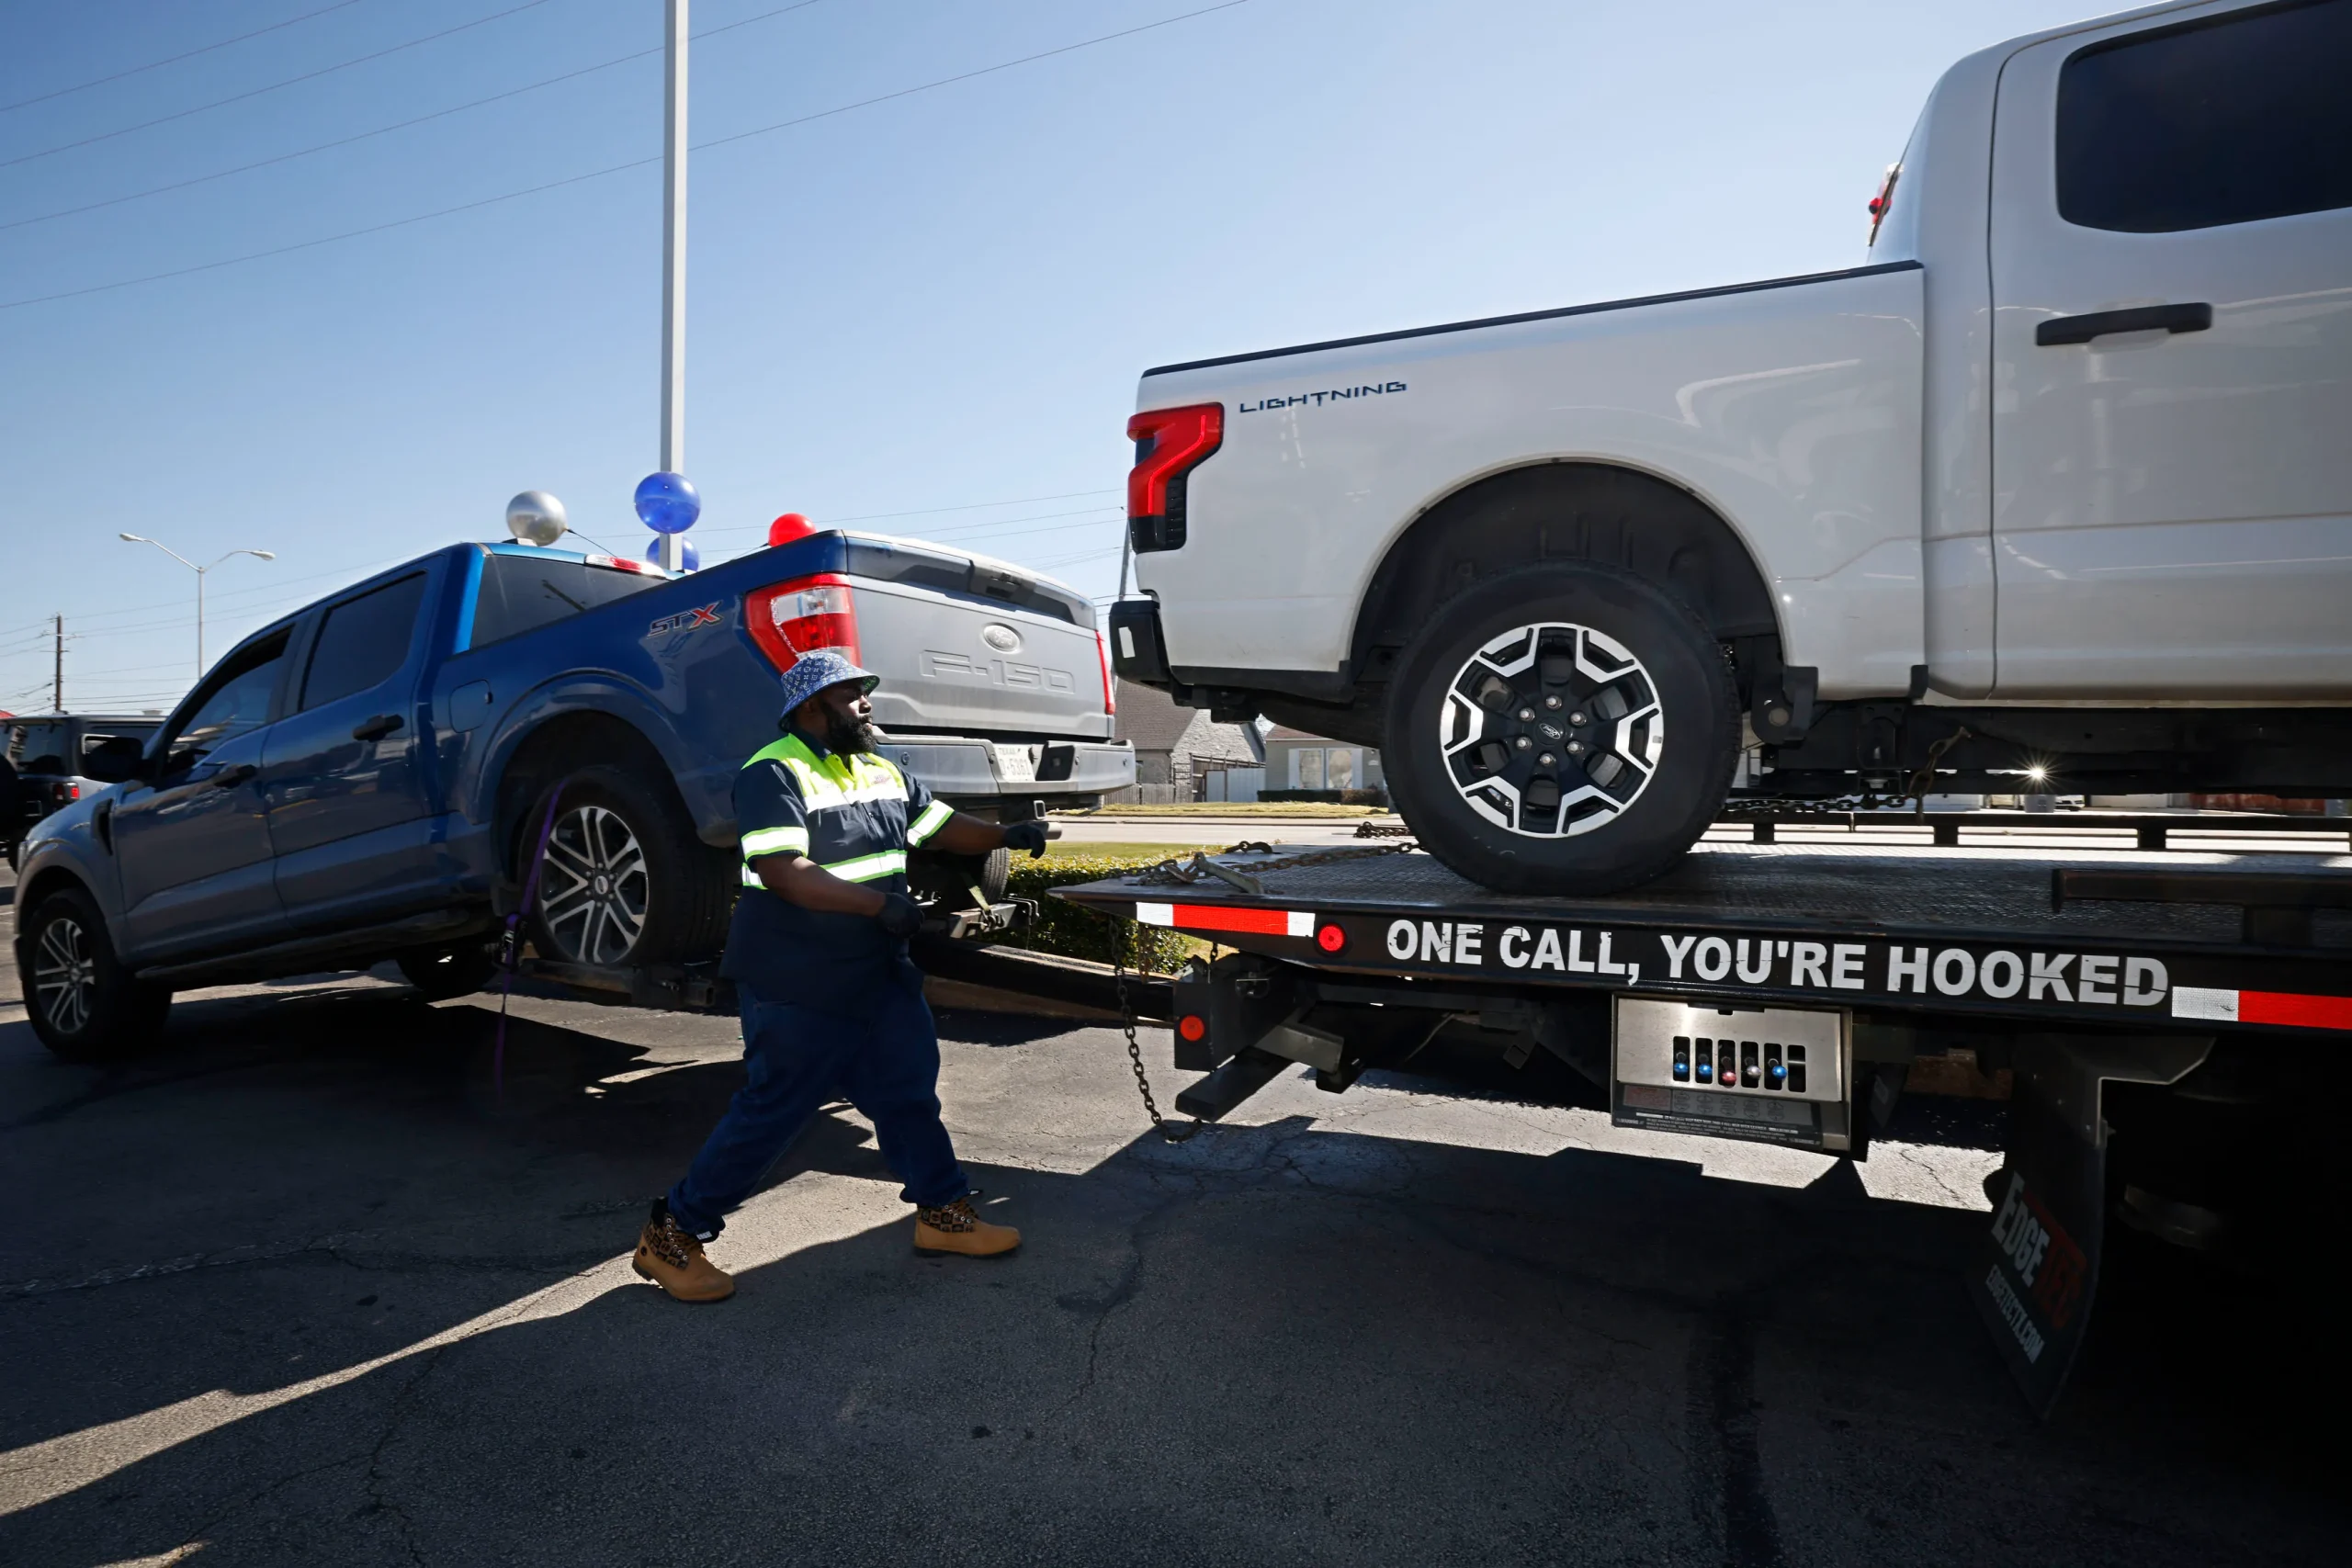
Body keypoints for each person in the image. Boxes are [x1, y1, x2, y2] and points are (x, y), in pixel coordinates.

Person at [633, 649, 1051, 1303]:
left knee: (908, 1094)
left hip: (875, 969)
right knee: (775, 1109)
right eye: (851, 692)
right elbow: (782, 870)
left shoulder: (880, 768)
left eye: (864, 690)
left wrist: (1007, 833)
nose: (866, 702)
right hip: (798, 976)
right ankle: (672, 1233)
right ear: (809, 706)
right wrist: (878, 904)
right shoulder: (773, 771)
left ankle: (941, 1212)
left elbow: (938, 828)